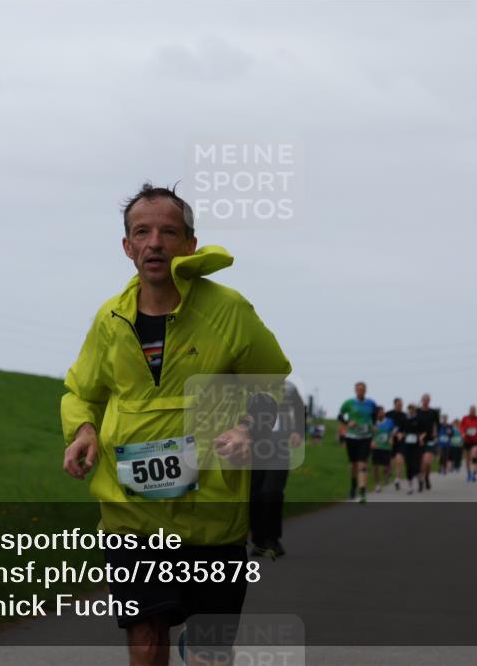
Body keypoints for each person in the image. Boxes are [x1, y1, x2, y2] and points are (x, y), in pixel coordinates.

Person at [61, 183, 291, 666]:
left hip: (213, 516)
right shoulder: (110, 319)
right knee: (146, 633)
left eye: (168, 232)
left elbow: (269, 382)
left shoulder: (228, 311)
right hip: (131, 515)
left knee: (209, 653)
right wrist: (83, 431)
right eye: (141, 232)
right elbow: (83, 391)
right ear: (127, 246)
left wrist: (248, 429)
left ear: (190, 243)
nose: (155, 244)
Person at [249, 381, 304, 558]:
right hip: (253, 445)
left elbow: (299, 409)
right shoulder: (246, 385)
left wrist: (298, 431)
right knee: (254, 493)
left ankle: (272, 540)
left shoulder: (288, 387)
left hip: (279, 445)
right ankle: (258, 540)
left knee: (272, 492)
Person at [337, 381, 379, 503]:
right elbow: (340, 416)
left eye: (363, 389)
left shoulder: (371, 403)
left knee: (362, 464)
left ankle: (362, 491)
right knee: (353, 465)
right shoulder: (349, 403)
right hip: (351, 437)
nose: (361, 391)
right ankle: (353, 486)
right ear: (355, 390)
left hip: (366, 437)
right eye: (358, 389)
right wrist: (347, 423)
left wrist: (373, 425)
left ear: (365, 390)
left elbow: (374, 416)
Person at [416, 393, 440, 491]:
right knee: (421, 462)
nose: (426, 401)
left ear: (430, 401)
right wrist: (418, 436)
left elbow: (438, 425)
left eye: (428, 400)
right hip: (419, 439)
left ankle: (426, 477)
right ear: (422, 400)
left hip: (430, 439)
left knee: (427, 462)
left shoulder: (433, 412)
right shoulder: (417, 411)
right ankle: (421, 480)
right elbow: (413, 424)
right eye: (425, 399)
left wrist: (435, 432)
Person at [370, 405, 395, 492]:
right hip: (376, 446)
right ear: (376, 414)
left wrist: (391, 438)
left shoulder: (389, 421)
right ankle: (377, 484)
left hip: (386, 447)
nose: (381, 414)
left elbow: (392, 431)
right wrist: (372, 441)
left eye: (382, 412)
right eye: (379, 413)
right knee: (376, 466)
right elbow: (369, 433)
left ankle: (387, 475)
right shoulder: (373, 423)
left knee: (387, 466)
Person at [401, 403, 424, 494]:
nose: (411, 410)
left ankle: (419, 479)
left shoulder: (419, 419)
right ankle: (410, 486)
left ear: (415, 410)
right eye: (409, 408)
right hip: (407, 444)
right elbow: (400, 430)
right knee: (408, 465)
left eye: (413, 408)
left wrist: (421, 437)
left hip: (416, 445)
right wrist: (400, 434)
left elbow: (424, 431)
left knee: (416, 464)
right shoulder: (404, 419)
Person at [385, 397, 407, 491]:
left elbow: (408, 428)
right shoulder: (388, 414)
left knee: (399, 459)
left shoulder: (405, 415)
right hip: (389, 439)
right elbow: (384, 427)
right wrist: (390, 436)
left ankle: (397, 480)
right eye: (399, 404)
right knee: (389, 461)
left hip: (400, 440)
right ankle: (387, 474)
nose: (400, 406)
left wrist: (403, 434)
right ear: (394, 404)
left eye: (401, 404)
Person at [459, 405, 477, 483]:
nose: (473, 412)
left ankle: (473, 473)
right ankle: (469, 474)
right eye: (471, 411)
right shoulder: (465, 418)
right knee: (467, 459)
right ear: (469, 411)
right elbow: (461, 426)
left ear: (476, 411)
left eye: (474, 411)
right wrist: (462, 433)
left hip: (475, 441)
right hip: (466, 441)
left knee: (474, 454)